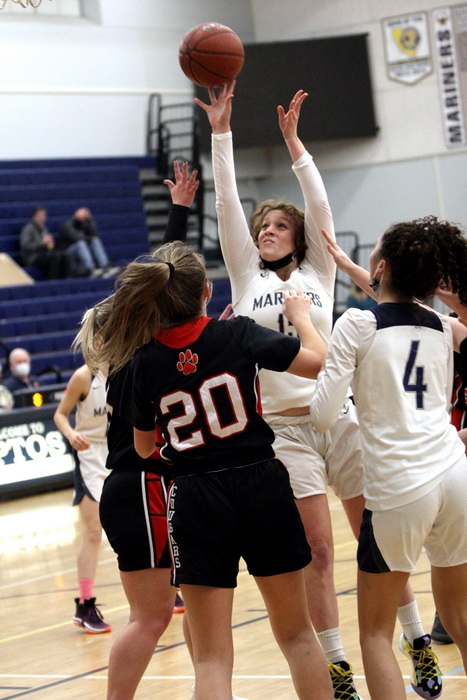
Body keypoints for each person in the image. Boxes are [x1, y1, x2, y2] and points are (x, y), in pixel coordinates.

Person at [195, 83, 434, 699]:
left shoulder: (318, 272)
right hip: (283, 431)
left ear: (298, 236)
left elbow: (319, 205)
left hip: (341, 417)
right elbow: (225, 202)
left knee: (376, 539)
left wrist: (296, 147)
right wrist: (221, 132)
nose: (268, 231)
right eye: (263, 226)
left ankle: (416, 639)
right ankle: (336, 665)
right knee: (318, 555)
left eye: (280, 225)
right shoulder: (245, 276)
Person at [87, 229, 332, 699]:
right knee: (298, 635)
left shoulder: (143, 362)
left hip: (195, 494)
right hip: (261, 483)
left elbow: (143, 447)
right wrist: (301, 318)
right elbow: (318, 361)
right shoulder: (237, 333)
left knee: (212, 658)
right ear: (206, 291)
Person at [74, 162, 249, 700]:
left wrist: (179, 212)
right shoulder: (138, 354)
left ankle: (209, 686)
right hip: (144, 484)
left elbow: (164, 280)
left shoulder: (135, 349)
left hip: (152, 487)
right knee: (151, 617)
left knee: (197, 604)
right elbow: (165, 285)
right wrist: (178, 214)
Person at [311, 216, 467, 700]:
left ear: (381, 267)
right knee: (461, 619)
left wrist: (305, 330)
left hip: (400, 486)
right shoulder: (444, 326)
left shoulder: (355, 323)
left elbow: (323, 415)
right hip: (455, 475)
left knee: (375, 634)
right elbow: (400, 308)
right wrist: (352, 268)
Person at [53, 363, 111, 634]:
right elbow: (60, 414)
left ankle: (163, 591)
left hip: (119, 450)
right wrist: (71, 434)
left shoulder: (127, 367)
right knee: (93, 532)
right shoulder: (83, 376)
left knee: (140, 522)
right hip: (90, 454)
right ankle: (85, 605)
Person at [59, 207, 114, 277]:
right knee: (81, 243)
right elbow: (76, 238)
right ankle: (91, 269)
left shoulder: (85, 223)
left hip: (84, 250)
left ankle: (105, 266)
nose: (82, 217)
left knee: (95, 241)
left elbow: (95, 235)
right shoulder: (67, 225)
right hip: (69, 251)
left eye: (85, 216)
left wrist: (90, 220)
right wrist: (89, 238)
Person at [20, 206, 67, 279]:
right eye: (39, 215)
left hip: (44, 255)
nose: (41, 218)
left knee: (62, 255)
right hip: (32, 257)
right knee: (54, 257)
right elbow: (26, 246)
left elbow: (48, 246)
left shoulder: (44, 228)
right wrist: (42, 243)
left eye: (43, 215)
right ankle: (53, 280)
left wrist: (50, 244)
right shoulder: (28, 229)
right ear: (34, 217)